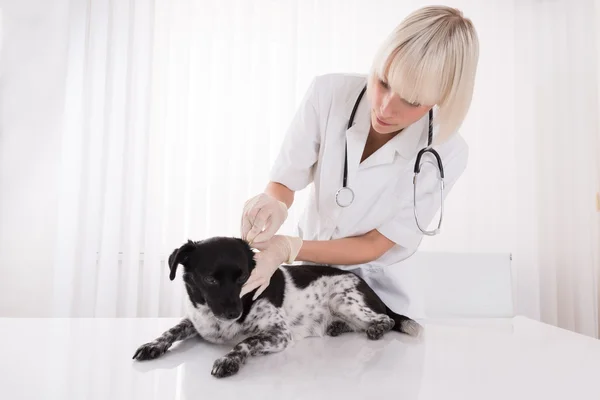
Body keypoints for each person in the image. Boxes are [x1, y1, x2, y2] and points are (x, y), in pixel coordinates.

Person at [239, 5, 479, 317]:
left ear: (441, 99)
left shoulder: (446, 153)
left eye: (411, 101)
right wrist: (273, 206)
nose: (385, 108)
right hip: (306, 285)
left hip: (379, 298)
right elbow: (286, 180)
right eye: (383, 82)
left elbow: (375, 244)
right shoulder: (329, 94)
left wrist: (290, 247)